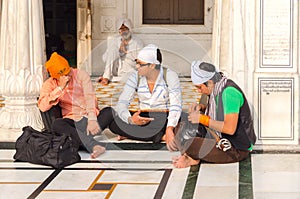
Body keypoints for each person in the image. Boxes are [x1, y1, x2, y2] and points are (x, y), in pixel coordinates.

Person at [173, 61, 256, 168]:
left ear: (210, 82)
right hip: (217, 137)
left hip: (234, 148)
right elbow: (214, 108)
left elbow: (230, 128)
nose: (199, 91)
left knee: (189, 143)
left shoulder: (229, 93)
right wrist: (201, 107)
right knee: (180, 127)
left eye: (199, 87)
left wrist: (202, 119)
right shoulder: (216, 89)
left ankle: (192, 157)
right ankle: (192, 156)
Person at [38, 52, 115, 158]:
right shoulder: (50, 84)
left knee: (109, 112)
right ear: (56, 77)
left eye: (68, 72)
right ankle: (93, 145)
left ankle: (79, 140)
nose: (68, 76)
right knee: (58, 124)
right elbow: (42, 106)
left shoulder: (81, 75)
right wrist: (60, 88)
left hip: (92, 122)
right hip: (73, 123)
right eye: (64, 75)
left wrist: (92, 119)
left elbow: (90, 98)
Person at [109, 44, 183, 150]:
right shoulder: (135, 76)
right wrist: (131, 120)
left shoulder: (170, 75)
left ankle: (143, 134)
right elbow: (122, 103)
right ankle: (159, 136)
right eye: (136, 62)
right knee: (109, 116)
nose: (137, 66)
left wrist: (170, 128)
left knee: (181, 122)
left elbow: (176, 105)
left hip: (163, 119)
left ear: (152, 65)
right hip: (143, 120)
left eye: (140, 64)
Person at [99, 18, 144, 85]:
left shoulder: (137, 42)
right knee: (113, 48)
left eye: (125, 28)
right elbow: (105, 59)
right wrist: (118, 50)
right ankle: (106, 77)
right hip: (116, 69)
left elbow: (141, 59)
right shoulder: (115, 41)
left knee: (131, 78)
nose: (124, 31)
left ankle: (111, 78)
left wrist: (127, 51)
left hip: (129, 70)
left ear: (129, 29)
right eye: (121, 29)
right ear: (119, 31)